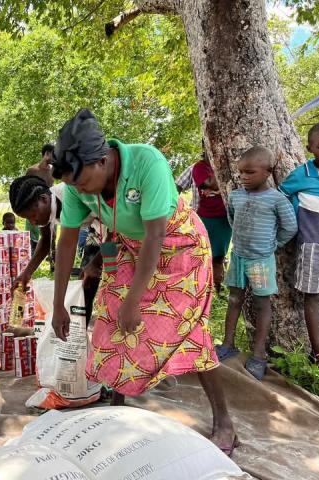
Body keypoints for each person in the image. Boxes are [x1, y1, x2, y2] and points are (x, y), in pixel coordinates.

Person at [50, 109, 237, 455]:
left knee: (188, 331)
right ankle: (118, 409)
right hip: (130, 245)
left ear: (103, 159)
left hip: (177, 245)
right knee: (109, 323)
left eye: (81, 181)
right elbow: (65, 240)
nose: (78, 190)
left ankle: (224, 422)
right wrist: (58, 303)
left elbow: (155, 235)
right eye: (72, 185)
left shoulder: (146, 162)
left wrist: (134, 299)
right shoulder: (78, 184)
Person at [217, 147, 297, 380]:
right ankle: (228, 343)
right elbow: (232, 218)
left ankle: (259, 354)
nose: (243, 177)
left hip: (261, 262)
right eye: (241, 173)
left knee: (262, 304)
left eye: (250, 172)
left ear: (268, 172)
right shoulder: (236, 195)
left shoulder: (276, 199)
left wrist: (273, 245)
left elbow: (290, 227)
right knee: (234, 299)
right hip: (239, 258)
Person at [280, 121, 319, 376]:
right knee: (313, 297)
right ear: (310, 148)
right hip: (312, 246)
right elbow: (282, 196)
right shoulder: (301, 175)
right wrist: (295, 217)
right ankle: (318, 351)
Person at [9, 176, 102, 326]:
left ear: (44, 199)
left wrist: (96, 262)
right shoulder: (45, 210)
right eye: (28, 220)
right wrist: (27, 273)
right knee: (86, 285)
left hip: (116, 228)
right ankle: (79, 336)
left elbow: (116, 228)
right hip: (97, 230)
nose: (33, 222)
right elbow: (45, 241)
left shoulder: (73, 194)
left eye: (33, 216)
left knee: (104, 279)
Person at [193, 155, 232, 293]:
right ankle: (201, 291)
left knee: (219, 258)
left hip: (224, 220)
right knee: (202, 256)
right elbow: (210, 184)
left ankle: (218, 289)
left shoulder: (228, 160)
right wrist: (220, 184)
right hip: (206, 219)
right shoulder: (200, 167)